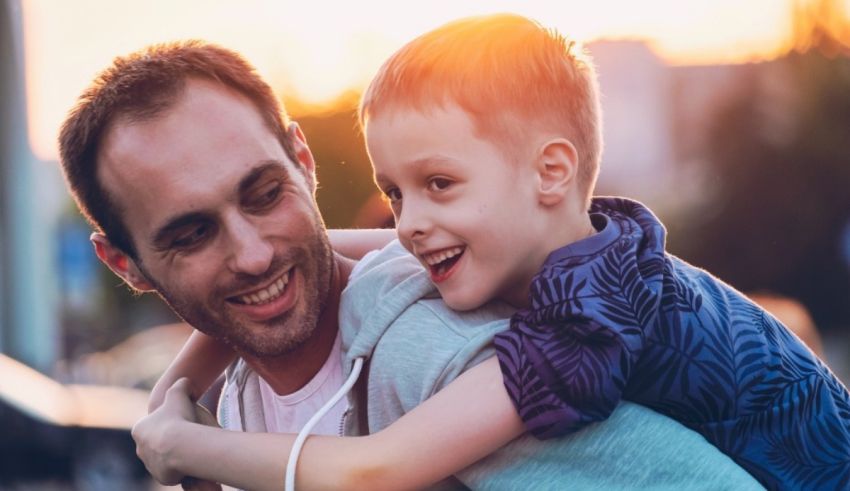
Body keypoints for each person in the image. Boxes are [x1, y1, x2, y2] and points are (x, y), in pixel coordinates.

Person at [63, 40, 761, 490]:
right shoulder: (240, 392)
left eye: (265, 193)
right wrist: (174, 407)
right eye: (190, 234)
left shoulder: (429, 351)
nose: (253, 254)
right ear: (125, 264)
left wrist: (179, 441)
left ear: (303, 163)